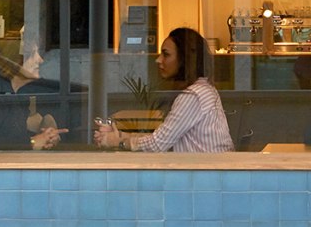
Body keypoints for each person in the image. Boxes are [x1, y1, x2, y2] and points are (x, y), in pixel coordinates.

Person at [93, 27, 233, 152]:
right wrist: (120, 136)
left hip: (205, 177)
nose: (158, 60)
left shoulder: (194, 95)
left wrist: (117, 142)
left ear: (185, 59)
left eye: (166, 54)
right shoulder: (203, 89)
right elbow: (164, 137)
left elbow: (157, 144)